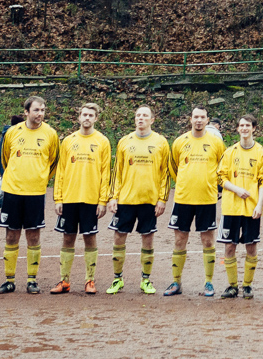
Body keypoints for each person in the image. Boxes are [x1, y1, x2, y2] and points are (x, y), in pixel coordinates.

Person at [0, 95, 59, 294]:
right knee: (11, 235)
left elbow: (54, 162)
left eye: (42, 110)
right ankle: (9, 280)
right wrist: (13, 178)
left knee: (33, 235)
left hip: (35, 192)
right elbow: (5, 159)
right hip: (13, 191)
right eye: (36, 110)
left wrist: (41, 179)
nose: (40, 114)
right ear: (26, 112)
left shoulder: (50, 133)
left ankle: (32, 280)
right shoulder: (13, 132)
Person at [107, 105, 171, 294]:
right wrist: (113, 196)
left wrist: (162, 199)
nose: (141, 118)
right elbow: (117, 172)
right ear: (135, 119)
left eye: (145, 115)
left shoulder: (161, 142)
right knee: (119, 237)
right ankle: (117, 279)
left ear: (152, 120)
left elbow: (165, 173)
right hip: (126, 199)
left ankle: (146, 280)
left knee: (148, 238)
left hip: (149, 200)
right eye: (138, 115)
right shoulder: (124, 141)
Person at [50, 103, 111, 295]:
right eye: (84, 114)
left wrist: (103, 201)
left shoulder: (102, 141)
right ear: (79, 117)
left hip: (91, 199)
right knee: (67, 238)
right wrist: (58, 198)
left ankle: (89, 280)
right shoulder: (68, 141)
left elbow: (106, 173)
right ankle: (64, 280)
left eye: (91, 115)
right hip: (69, 197)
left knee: (90, 238)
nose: (87, 118)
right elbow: (60, 171)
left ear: (96, 118)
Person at [165, 106, 227, 297]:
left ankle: (208, 282)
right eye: (195, 117)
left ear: (207, 120)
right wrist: (186, 183)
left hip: (207, 199)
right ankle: (176, 282)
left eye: (202, 117)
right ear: (190, 119)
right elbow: (173, 167)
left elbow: (223, 167)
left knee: (207, 241)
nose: (199, 120)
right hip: (183, 198)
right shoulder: (180, 141)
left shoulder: (216, 143)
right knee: (179, 240)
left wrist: (215, 187)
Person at [219, 115, 263, 299]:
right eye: (241, 125)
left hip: (251, 208)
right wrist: (237, 190)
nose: (244, 128)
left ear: (254, 128)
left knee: (251, 247)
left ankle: (247, 285)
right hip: (231, 208)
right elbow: (221, 178)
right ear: (237, 129)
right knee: (229, 247)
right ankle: (232, 285)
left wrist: (259, 204)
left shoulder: (261, 153)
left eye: (248, 125)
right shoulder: (229, 152)